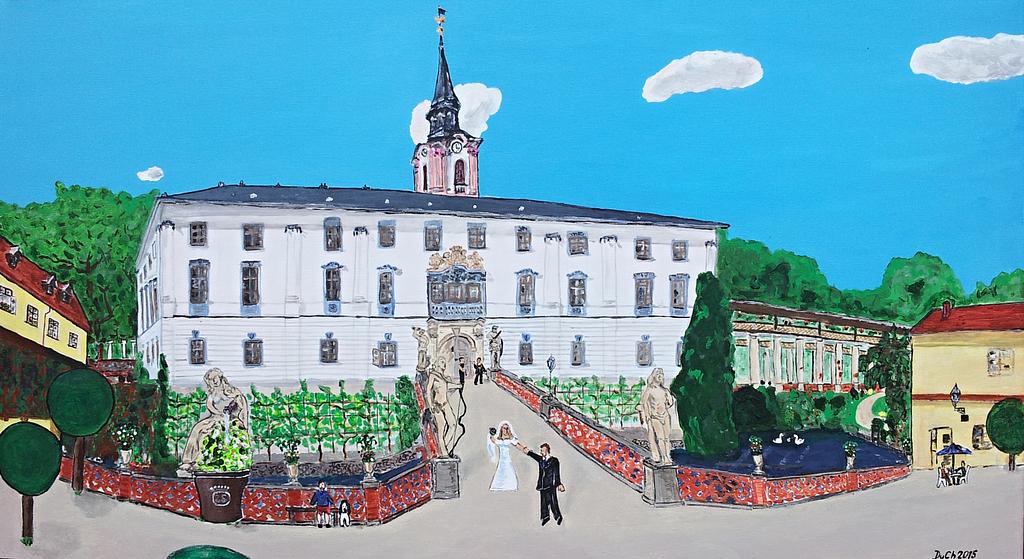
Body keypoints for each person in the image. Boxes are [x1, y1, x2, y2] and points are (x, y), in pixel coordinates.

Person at [516, 442, 564, 526]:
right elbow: (531, 454)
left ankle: (558, 516)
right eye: (541, 451)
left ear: (547, 450)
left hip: (551, 484)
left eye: (542, 450)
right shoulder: (541, 459)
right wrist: (519, 446)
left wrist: (559, 484)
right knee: (543, 501)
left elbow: (557, 473)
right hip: (542, 484)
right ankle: (545, 517)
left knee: (553, 501)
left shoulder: (554, 460)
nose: (541, 452)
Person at [636, 367, 675, 465]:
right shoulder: (649, 390)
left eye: (661, 374)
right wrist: (644, 416)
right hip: (655, 417)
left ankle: (667, 456)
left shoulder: (665, 390)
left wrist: (667, 401)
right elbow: (642, 403)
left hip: (665, 416)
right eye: (658, 374)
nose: (660, 376)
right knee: (660, 438)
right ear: (653, 376)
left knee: (666, 438)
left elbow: (670, 403)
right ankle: (664, 457)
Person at [487, 421, 520, 491]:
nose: (505, 430)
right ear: (501, 428)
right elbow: (492, 440)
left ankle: (511, 485)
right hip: (501, 459)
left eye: (507, 428)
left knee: (509, 469)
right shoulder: (498, 438)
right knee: (500, 469)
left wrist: (525, 449)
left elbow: (517, 445)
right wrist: (491, 433)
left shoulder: (511, 438)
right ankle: (499, 485)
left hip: (507, 458)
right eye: (504, 428)